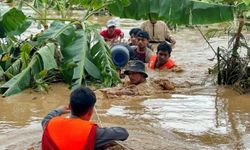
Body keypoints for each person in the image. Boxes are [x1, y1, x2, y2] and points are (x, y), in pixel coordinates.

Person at [41, 87, 129, 150]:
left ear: (70, 107)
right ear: (90, 112)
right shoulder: (93, 132)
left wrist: (58, 110)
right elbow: (123, 133)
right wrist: (103, 131)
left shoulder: (50, 124)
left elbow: (46, 118)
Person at [99, 60, 175, 98]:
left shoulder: (146, 86)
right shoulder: (128, 82)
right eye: (129, 73)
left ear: (142, 75)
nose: (131, 76)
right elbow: (119, 86)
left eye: (134, 73)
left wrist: (115, 92)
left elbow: (132, 92)